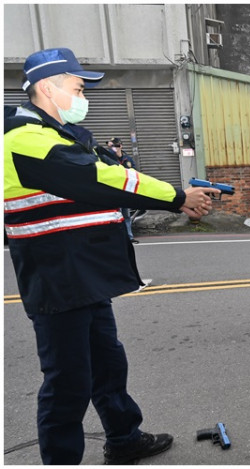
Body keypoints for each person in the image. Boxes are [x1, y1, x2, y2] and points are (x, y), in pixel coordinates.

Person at [4, 47, 221, 465]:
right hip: (57, 280)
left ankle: (124, 438)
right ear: (48, 87)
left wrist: (178, 197)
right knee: (67, 384)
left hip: (82, 275)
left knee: (107, 364)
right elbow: (99, 178)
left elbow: (118, 172)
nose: (85, 96)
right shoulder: (25, 139)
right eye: (78, 87)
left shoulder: (57, 134)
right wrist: (177, 198)